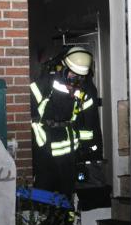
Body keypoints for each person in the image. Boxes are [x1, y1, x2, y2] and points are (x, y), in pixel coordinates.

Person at [29, 46, 103, 197]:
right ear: (63, 69)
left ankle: (67, 219)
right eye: (72, 76)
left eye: (80, 78)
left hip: (70, 154)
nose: (76, 82)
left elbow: (90, 123)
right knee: (43, 194)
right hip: (44, 152)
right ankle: (43, 218)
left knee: (66, 196)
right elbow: (29, 114)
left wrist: (89, 153)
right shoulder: (43, 85)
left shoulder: (86, 91)